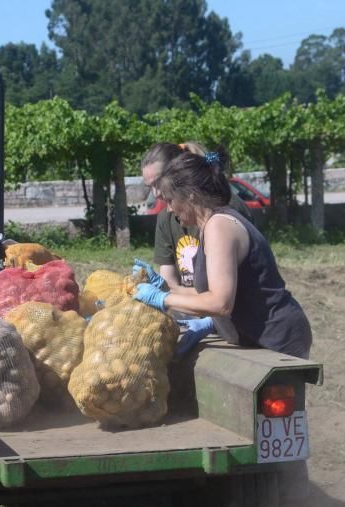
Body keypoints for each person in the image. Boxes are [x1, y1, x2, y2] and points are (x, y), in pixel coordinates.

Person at [133, 148, 313, 359]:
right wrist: (164, 287)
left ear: (190, 195)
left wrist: (163, 299)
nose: (170, 210)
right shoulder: (209, 225)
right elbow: (205, 294)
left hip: (277, 339)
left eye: (171, 200)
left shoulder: (219, 226)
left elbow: (220, 303)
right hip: (254, 338)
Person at [140, 142, 254, 290]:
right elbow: (170, 282)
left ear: (178, 170)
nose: (156, 193)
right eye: (150, 187)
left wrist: (165, 299)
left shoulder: (221, 212)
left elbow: (220, 301)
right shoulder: (166, 217)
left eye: (158, 182)